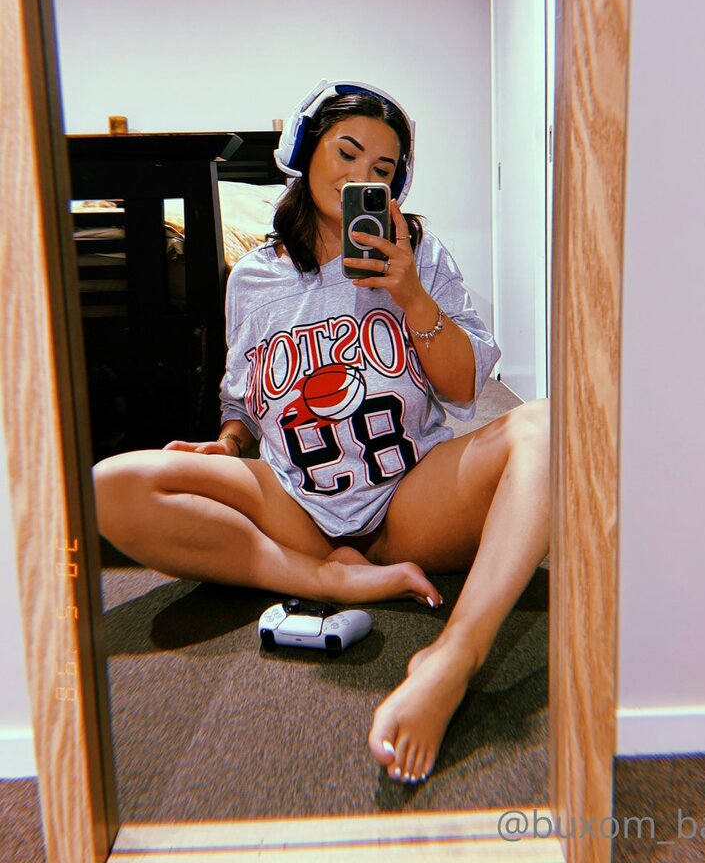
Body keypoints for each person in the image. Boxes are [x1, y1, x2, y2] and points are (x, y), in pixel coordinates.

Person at [94, 80, 550, 786]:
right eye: (348, 152)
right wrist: (228, 443)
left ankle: (454, 656)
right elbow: (242, 396)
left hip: (409, 502)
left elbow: (465, 389)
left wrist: (408, 292)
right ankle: (326, 577)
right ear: (304, 151)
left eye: (383, 168)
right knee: (110, 485)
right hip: (296, 507)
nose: (363, 174)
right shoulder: (253, 278)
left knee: (546, 426)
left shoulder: (419, 255)